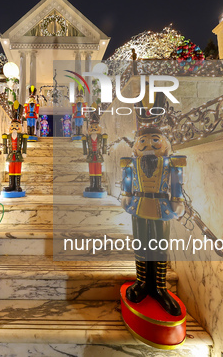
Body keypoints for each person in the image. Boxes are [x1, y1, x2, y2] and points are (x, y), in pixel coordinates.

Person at [120, 126, 186, 316]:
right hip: (139, 205)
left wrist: (177, 200)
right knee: (140, 244)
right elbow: (127, 180)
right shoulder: (131, 163)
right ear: (135, 145)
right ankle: (141, 281)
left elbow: (177, 183)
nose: (148, 144)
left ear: (164, 143)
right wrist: (125, 195)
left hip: (161, 206)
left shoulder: (171, 164)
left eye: (155, 139)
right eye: (143, 140)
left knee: (159, 246)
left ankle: (159, 286)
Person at [2, 102, 28, 192]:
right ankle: (11, 185)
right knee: (11, 170)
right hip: (10, 155)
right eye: (12, 126)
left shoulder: (21, 136)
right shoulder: (7, 136)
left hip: (18, 155)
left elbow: (24, 143)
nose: (14, 127)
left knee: (17, 169)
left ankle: (17, 185)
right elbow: (5, 143)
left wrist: (24, 152)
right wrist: (5, 151)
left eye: (17, 126)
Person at [81, 113, 107, 192]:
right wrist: (85, 153)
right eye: (91, 127)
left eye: (96, 127)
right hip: (91, 155)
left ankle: (98, 185)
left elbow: (104, 144)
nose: (93, 128)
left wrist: (104, 152)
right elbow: (85, 146)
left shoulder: (101, 136)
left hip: (98, 155)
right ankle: (92, 185)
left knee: (98, 170)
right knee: (92, 170)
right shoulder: (87, 137)